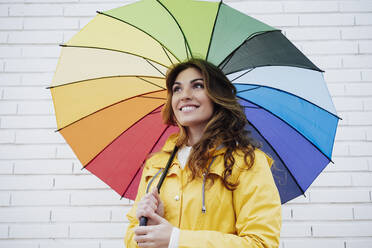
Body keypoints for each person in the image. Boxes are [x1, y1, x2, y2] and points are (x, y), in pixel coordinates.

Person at [124, 59, 282, 248]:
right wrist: (147, 225)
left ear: (217, 95)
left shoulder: (248, 162)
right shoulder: (157, 164)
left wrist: (176, 240)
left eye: (197, 86)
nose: (184, 96)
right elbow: (132, 238)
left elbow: (261, 243)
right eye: (177, 89)